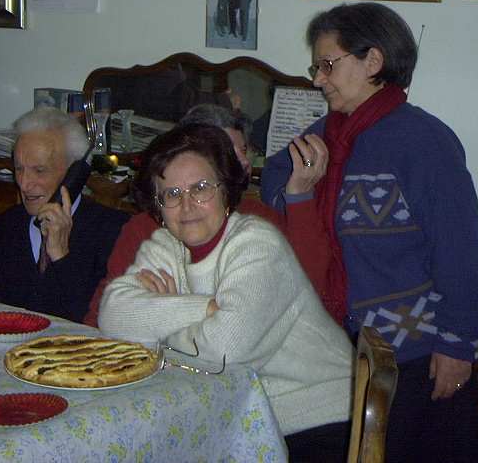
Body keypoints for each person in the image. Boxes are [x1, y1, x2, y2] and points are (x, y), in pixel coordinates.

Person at [261, 2, 478, 462]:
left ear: (373, 62)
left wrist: (457, 345)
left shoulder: (424, 141)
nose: (318, 79)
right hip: (345, 350)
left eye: (327, 65)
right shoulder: (329, 133)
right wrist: (302, 188)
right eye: (317, 67)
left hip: (415, 355)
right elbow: (274, 181)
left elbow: (459, 250)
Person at [99, 124, 353, 460]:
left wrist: (160, 330)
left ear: (225, 191)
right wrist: (203, 309)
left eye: (201, 188)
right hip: (236, 417)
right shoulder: (165, 246)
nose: (187, 205)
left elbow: (224, 353)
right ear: (158, 205)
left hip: (317, 416)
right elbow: (113, 317)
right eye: (171, 194)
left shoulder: (257, 245)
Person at [83, 103, 332, 327]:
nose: (242, 162)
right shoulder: (145, 229)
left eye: (243, 150)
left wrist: (172, 311)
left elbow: (307, 296)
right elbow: (102, 317)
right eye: (226, 152)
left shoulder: (258, 221)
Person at [0, 107, 129, 323]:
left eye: (39, 170)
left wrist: (61, 256)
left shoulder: (114, 231)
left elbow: (101, 322)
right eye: (19, 169)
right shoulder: (7, 225)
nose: (24, 184)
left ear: (74, 174)